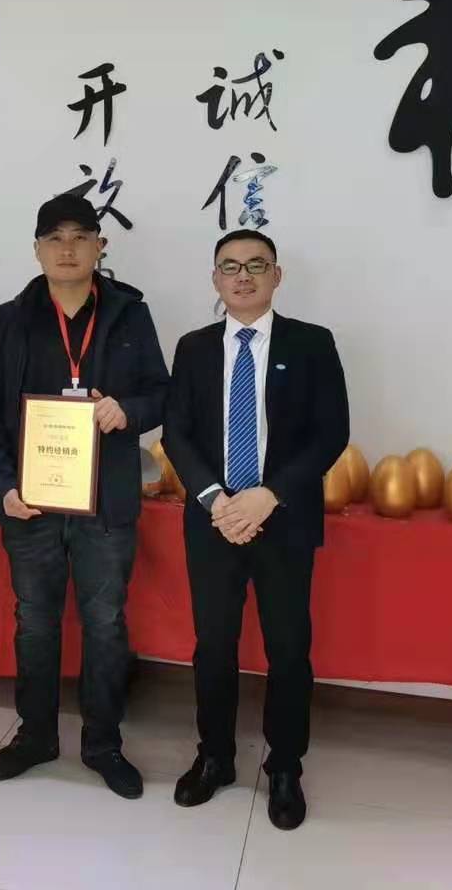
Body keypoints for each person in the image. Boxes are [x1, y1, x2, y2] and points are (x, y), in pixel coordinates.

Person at [0, 194, 169, 799]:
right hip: (29, 504)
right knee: (35, 622)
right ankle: (36, 735)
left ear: (99, 247)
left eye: (80, 236)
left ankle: (103, 743)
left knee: (105, 624)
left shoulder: (130, 314)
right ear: (36, 249)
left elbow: (162, 394)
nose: (67, 248)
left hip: (105, 505)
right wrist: (3, 485)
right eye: (54, 238)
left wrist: (127, 410)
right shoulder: (8, 320)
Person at [163, 229, 349, 831]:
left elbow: (331, 432)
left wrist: (268, 496)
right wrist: (216, 500)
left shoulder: (312, 343)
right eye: (230, 267)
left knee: (288, 649)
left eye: (256, 265)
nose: (242, 276)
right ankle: (215, 757)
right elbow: (176, 433)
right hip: (214, 521)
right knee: (213, 646)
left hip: (283, 519)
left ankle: (285, 765)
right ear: (215, 279)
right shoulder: (193, 347)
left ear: (277, 275)